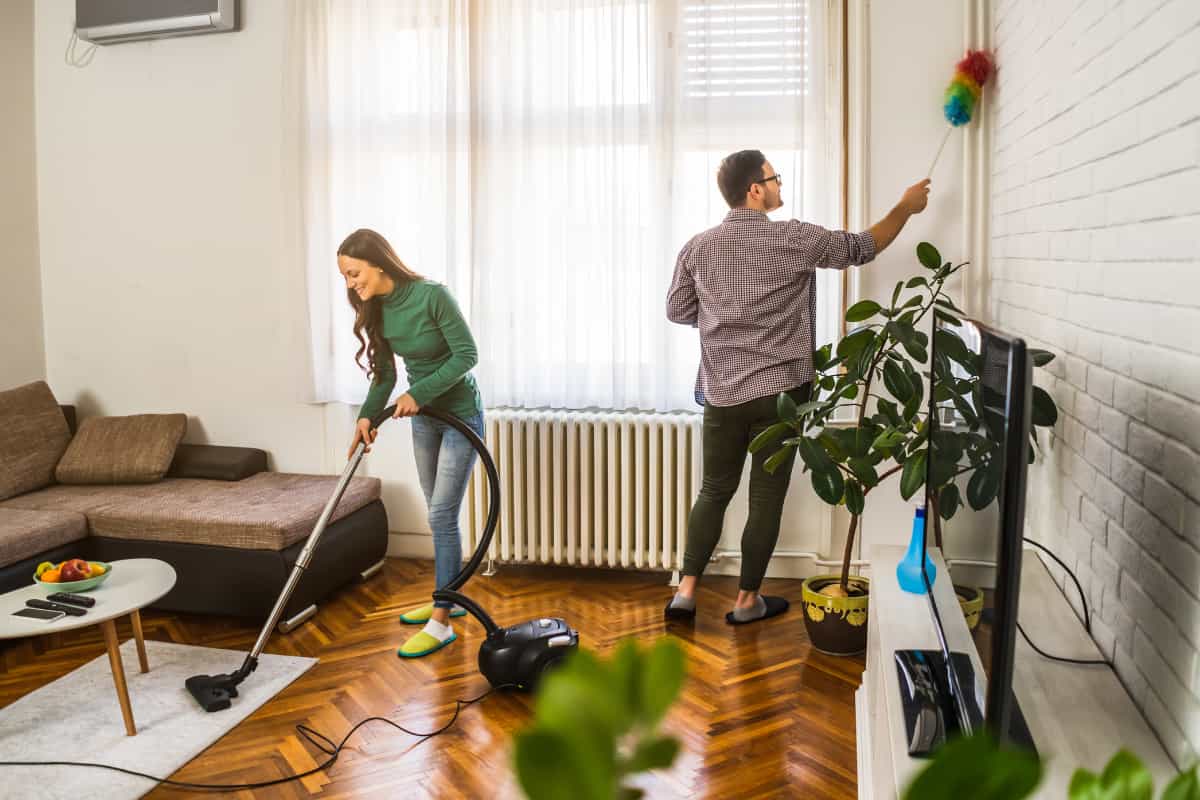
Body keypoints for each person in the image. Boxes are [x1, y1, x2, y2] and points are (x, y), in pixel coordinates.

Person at [664, 150, 930, 625]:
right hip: (782, 395)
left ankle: (685, 592)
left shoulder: (697, 247)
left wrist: (724, 320)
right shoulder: (792, 238)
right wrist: (904, 209)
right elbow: (863, 246)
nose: (779, 186)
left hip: (723, 393)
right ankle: (746, 602)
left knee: (713, 489)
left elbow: (679, 311)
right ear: (754, 189)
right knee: (765, 498)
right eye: (774, 178)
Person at [339, 228, 484, 657]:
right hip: (425, 420)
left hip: (459, 414)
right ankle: (449, 598)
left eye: (354, 273)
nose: (351, 283)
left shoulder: (431, 295)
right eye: (345, 277)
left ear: (378, 263)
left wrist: (418, 394)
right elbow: (384, 375)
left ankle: (442, 622)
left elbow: (466, 355)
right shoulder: (376, 309)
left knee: (441, 513)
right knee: (437, 513)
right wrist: (367, 415)